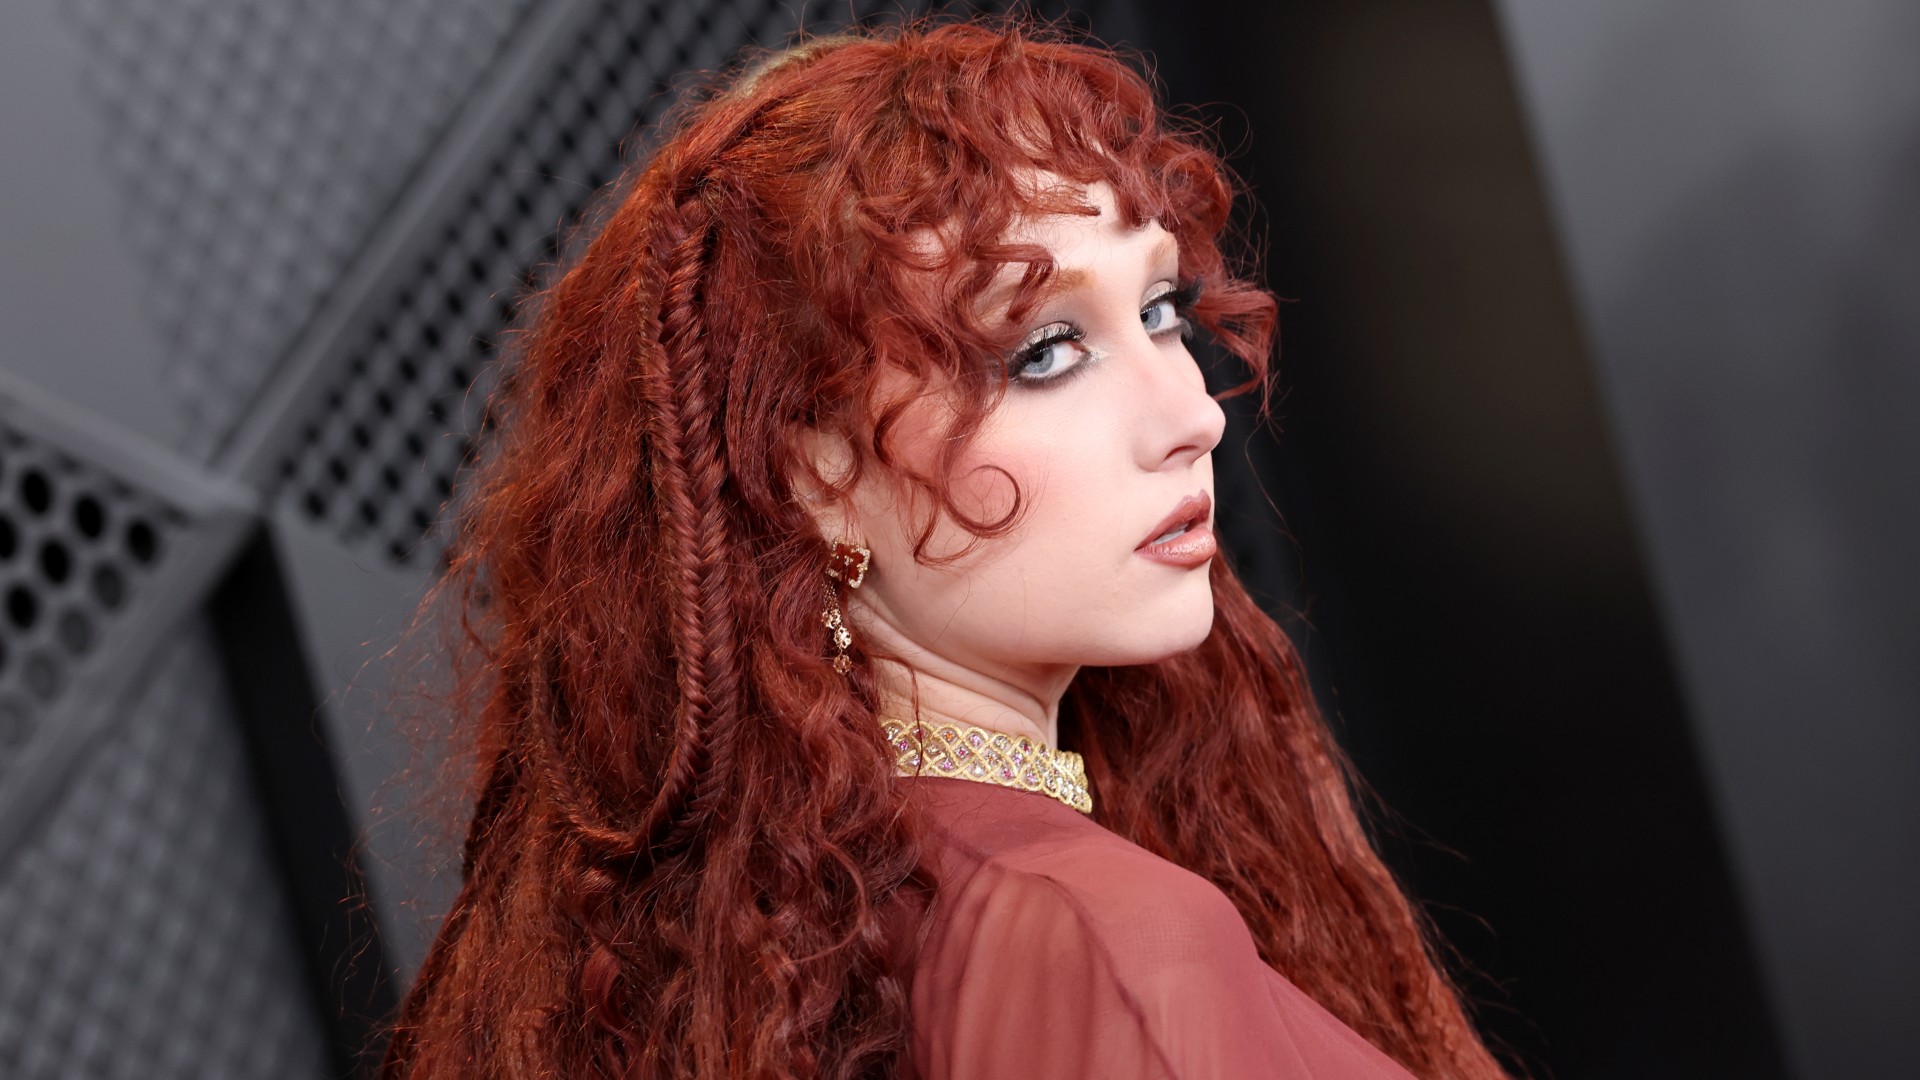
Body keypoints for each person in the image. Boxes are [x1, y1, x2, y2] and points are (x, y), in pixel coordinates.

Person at [380, 18, 1509, 1080]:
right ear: (812, 476)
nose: (1195, 416)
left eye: (1162, 310)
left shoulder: (826, 935)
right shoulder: (1100, 937)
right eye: (1046, 352)